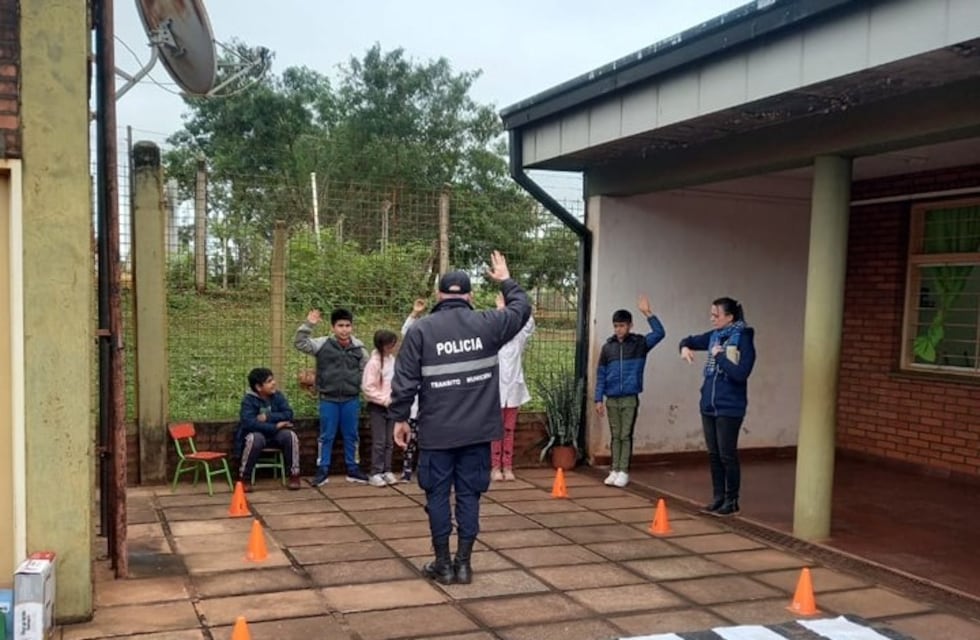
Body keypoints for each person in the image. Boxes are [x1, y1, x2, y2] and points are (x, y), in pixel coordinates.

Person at [390, 251, 530, 585]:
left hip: (437, 434)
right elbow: (521, 309)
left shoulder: (421, 331)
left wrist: (400, 419)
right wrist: (506, 279)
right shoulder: (488, 324)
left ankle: (443, 563)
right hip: (478, 434)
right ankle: (464, 564)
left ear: (439, 295)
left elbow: (405, 380)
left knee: (437, 496)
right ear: (468, 296)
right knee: (469, 496)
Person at [679, 297, 756, 517]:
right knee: (714, 454)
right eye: (711, 315)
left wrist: (719, 356)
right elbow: (688, 340)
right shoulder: (714, 337)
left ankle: (732, 500)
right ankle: (718, 497)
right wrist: (684, 348)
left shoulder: (743, 339)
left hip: (730, 407)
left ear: (730, 317)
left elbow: (741, 373)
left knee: (727, 454)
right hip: (709, 406)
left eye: (716, 315)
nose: (712, 319)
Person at [594, 295, 666, 488]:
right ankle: (614, 469)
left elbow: (660, 333)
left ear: (630, 325)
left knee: (626, 434)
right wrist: (598, 398)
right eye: (616, 326)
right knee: (615, 435)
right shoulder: (607, 347)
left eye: (622, 326)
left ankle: (624, 470)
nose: (619, 329)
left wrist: (647, 313)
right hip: (611, 398)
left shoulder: (639, 344)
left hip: (629, 398)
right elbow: (601, 374)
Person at [294, 307, 369, 487]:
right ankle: (322, 468)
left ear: (352, 327)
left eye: (348, 325)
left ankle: (353, 467)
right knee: (326, 435)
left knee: (351, 434)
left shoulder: (359, 349)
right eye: (340, 325)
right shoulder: (322, 344)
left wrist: (363, 389)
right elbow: (300, 343)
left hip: (351, 399)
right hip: (328, 398)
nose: (344, 329)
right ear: (333, 327)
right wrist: (308, 324)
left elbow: (366, 371)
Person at [235, 367, 301, 491]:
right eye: (269, 381)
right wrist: (275, 425)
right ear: (259, 387)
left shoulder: (278, 396)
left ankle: (294, 475)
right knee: (255, 439)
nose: (274, 383)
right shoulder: (248, 400)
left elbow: (288, 414)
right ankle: (244, 477)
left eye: (273, 379)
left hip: (276, 434)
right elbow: (249, 423)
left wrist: (268, 417)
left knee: (290, 435)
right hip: (257, 434)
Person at [492, 292, 535, 482]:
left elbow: (529, 324)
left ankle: (508, 466)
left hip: (514, 392)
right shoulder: (494, 340)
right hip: (496, 392)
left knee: (509, 430)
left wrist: (518, 304)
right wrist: (501, 309)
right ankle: (495, 467)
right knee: (496, 431)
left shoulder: (518, 339)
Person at [361, 329, 400, 487]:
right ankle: (375, 472)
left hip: (392, 405)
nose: (393, 347)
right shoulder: (374, 363)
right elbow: (367, 388)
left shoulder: (392, 360)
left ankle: (387, 470)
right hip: (378, 407)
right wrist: (384, 400)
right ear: (382, 345)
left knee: (389, 441)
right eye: (390, 344)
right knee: (379, 441)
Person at [399, 298, 427, 483]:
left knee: (428, 443)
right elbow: (406, 332)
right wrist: (415, 313)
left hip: (432, 408)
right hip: (414, 408)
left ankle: (424, 472)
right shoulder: (413, 360)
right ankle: (407, 471)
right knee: (410, 441)